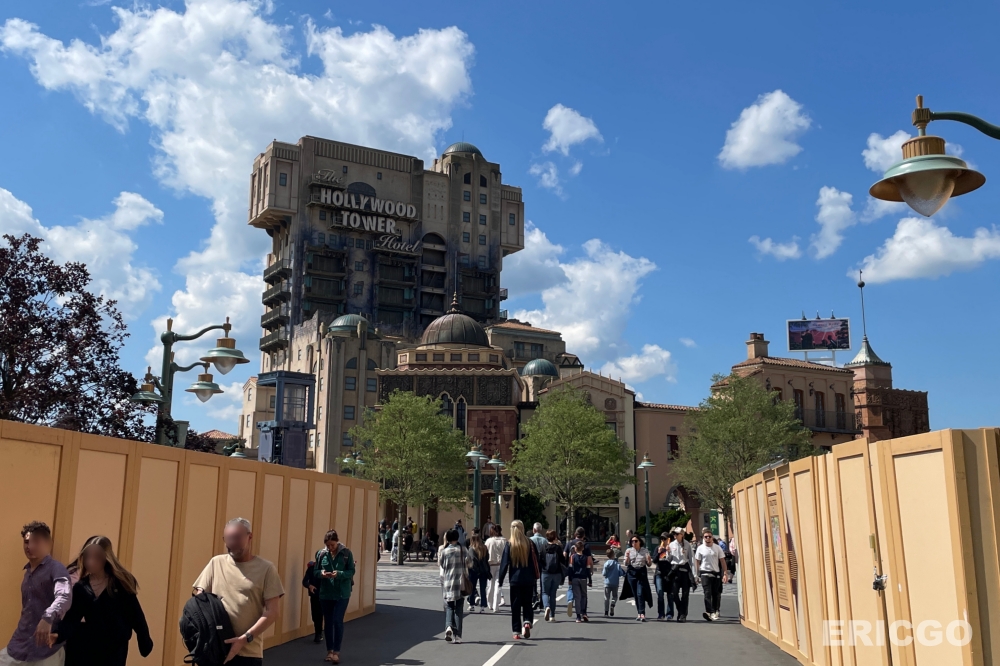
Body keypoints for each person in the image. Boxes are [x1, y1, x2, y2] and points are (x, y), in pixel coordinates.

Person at [193, 517, 284, 666]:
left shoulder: (266, 569)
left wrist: (245, 638)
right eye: (228, 539)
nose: (232, 543)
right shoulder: (216, 563)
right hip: (215, 650)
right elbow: (199, 600)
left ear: (250, 536)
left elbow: (273, 612)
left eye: (236, 538)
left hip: (247, 653)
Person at [53, 535, 152, 666]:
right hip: (86, 648)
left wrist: (144, 641)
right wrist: (57, 635)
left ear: (106, 558)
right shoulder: (81, 587)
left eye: (96, 557)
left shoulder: (120, 585)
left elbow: (136, 616)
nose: (91, 562)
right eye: (88, 557)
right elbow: (72, 619)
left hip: (114, 649)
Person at [2, 521, 71, 666]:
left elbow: (64, 596)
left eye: (36, 541)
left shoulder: (56, 568)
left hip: (46, 648)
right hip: (20, 644)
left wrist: (48, 618)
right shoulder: (27, 573)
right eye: (27, 542)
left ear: (48, 543)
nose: (30, 546)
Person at [314, 530, 355, 663]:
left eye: (332, 545)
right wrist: (322, 573)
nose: (330, 548)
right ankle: (329, 651)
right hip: (326, 593)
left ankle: (336, 652)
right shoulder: (321, 554)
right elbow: (315, 571)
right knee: (328, 622)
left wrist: (339, 574)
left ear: (337, 542)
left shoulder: (346, 553)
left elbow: (351, 571)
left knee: (337, 620)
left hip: (342, 593)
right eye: (328, 545)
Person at [497, 520, 540, 640]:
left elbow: (504, 564)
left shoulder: (510, 544)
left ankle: (516, 631)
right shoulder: (529, 543)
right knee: (527, 603)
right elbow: (536, 560)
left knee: (515, 606)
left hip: (515, 579)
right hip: (528, 578)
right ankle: (527, 622)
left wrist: (500, 580)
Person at [438, 529, 472, 644]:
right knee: (459, 608)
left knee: (449, 606)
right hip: (460, 583)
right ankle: (458, 636)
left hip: (448, 582)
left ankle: (448, 626)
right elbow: (470, 562)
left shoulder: (444, 551)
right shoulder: (463, 549)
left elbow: (442, 565)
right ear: (457, 538)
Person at [696, 529, 729, 622]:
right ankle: (709, 612)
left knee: (716, 594)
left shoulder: (717, 548)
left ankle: (714, 611)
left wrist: (725, 573)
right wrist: (696, 575)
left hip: (715, 573)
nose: (708, 538)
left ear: (712, 537)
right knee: (707, 593)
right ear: (703, 538)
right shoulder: (700, 548)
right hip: (704, 573)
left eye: (709, 536)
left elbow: (722, 561)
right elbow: (697, 561)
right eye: (706, 537)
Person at [666, 527, 695, 622]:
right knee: (674, 593)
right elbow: (668, 559)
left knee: (685, 594)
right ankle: (680, 610)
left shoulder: (687, 544)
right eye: (674, 534)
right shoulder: (671, 544)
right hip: (675, 570)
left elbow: (691, 559)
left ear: (682, 535)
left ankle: (683, 615)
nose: (675, 535)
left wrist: (694, 575)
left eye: (677, 534)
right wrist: (668, 552)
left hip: (685, 570)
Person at [562, 527, 592, 618]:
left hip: (572, 570)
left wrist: (565, 564)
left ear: (575, 534)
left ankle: (570, 600)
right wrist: (590, 572)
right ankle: (584, 612)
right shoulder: (586, 545)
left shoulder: (570, 543)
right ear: (584, 535)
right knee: (583, 595)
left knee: (571, 588)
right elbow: (589, 559)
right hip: (583, 573)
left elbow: (564, 554)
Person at [621, 535, 653, 621]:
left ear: (639, 542)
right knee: (635, 594)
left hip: (641, 573)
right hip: (632, 573)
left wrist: (649, 560)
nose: (634, 543)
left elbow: (649, 564)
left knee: (640, 593)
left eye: (636, 541)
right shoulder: (628, 550)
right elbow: (626, 564)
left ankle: (642, 613)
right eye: (632, 541)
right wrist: (627, 558)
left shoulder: (645, 550)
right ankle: (639, 613)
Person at [539, 531, 565, 622]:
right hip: (556, 573)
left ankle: (546, 606)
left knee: (545, 592)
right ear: (555, 537)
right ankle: (552, 616)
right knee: (553, 594)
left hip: (546, 572)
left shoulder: (543, 547)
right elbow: (563, 560)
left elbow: (540, 559)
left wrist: (543, 567)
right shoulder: (558, 548)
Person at [567, 541, 591, 623]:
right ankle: (584, 612)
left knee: (577, 597)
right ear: (583, 548)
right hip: (583, 578)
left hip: (575, 578)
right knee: (584, 596)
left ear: (575, 548)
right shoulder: (586, 558)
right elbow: (588, 569)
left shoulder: (572, 557)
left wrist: (570, 579)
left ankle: (578, 616)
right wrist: (590, 580)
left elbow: (570, 569)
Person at [484, 525, 507, 611]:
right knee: (498, 584)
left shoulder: (489, 541)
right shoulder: (504, 541)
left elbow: (485, 552)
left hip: (491, 564)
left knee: (490, 585)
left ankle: (489, 603)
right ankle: (496, 605)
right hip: (501, 564)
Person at [467, 532, 490, 613]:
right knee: (483, 589)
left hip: (474, 571)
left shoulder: (471, 549)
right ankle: (483, 606)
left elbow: (472, 559)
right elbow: (487, 558)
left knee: (472, 588)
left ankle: (472, 605)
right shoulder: (484, 548)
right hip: (484, 570)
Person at [652, 531, 673, 620]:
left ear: (669, 540)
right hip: (659, 573)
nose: (663, 540)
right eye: (661, 539)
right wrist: (658, 553)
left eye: (665, 539)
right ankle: (661, 614)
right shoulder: (658, 548)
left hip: (669, 573)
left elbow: (674, 560)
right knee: (660, 592)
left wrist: (669, 552)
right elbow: (654, 560)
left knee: (670, 594)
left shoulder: (672, 548)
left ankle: (669, 613)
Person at [302, 561, 323, 642]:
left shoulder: (330, 568)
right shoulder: (311, 568)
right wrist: (309, 586)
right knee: (315, 616)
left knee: (327, 616)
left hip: (327, 595)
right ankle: (318, 633)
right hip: (315, 595)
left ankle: (322, 634)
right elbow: (304, 581)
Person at [529, 523, 548, 610]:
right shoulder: (545, 540)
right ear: (540, 530)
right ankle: (542, 601)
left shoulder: (530, 540)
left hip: (533, 562)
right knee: (542, 582)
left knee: (533, 581)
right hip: (543, 563)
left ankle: (534, 598)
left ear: (534, 530)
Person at [601, 547, 624, 617]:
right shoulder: (617, 564)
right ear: (613, 555)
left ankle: (606, 612)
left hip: (607, 582)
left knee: (606, 597)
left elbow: (604, 573)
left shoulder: (606, 563)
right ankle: (612, 604)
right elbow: (621, 573)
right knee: (615, 596)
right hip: (615, 582)